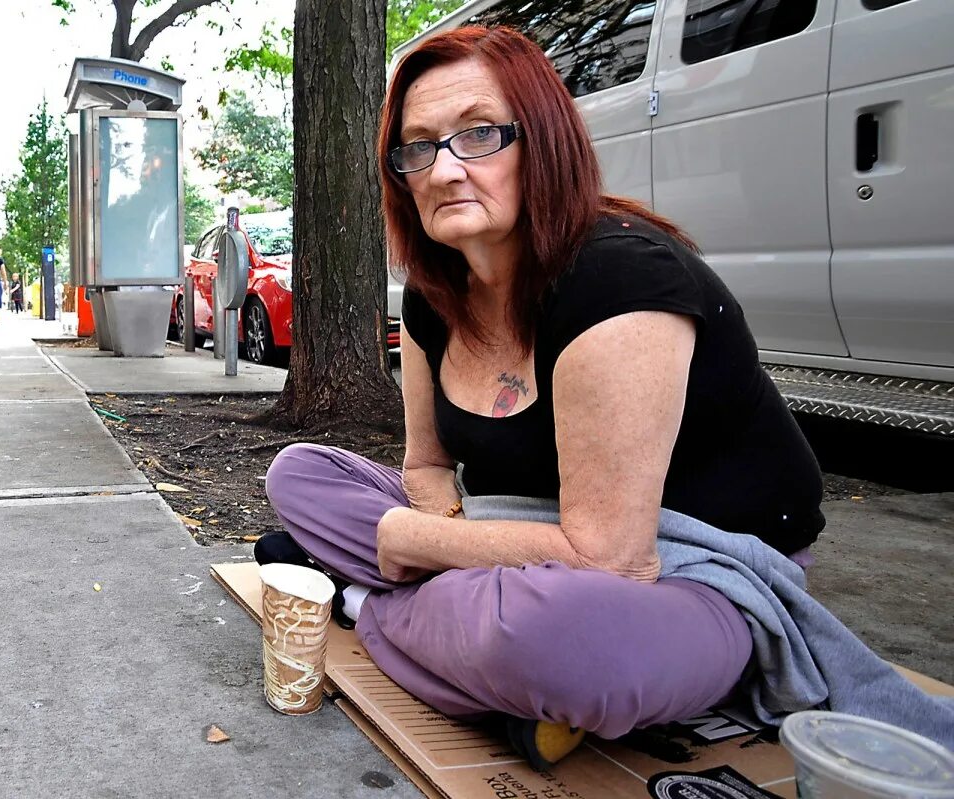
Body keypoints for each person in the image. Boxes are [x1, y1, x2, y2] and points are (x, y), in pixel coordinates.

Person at [259, 27, 832, 768]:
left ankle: (362, 603)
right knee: (299, 474)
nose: (443, 169)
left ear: (545, 140)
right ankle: (456, 641)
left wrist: (408, 543)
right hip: (528, 533)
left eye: (479, 135)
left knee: (551, 638)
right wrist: (447, 538)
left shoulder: (621, 282)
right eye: (419, 147)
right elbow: (427, 467)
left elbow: (611, 560)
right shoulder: (434, 301)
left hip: (693, 568)